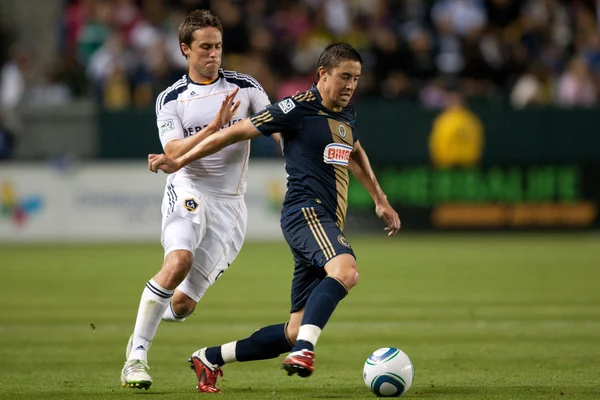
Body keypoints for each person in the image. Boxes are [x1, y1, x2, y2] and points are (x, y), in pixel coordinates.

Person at [148, 42, 401, 393]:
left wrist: (380, 199)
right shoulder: (296, 108)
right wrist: (180, 160)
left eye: (356, 79)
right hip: (305, 212)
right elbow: (236, 132)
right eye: (344, 77)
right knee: (346, 271)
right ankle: (305, 351)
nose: (350, 85)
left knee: (296, 327)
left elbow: (354, 150)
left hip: (325, 221)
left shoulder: (347, 114)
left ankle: (210, 357)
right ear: (322, 74)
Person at [120, 10, 277, 390]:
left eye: (218, 46)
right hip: (188, 186)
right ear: (184, 49)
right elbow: (173, 151)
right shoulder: (171, 98)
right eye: (205, 47)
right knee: (178, 261)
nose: (213, 54)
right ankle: (136, 357)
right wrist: (213, 126)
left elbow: (277, 128)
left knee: (183, 304)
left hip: (230, 205)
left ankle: (153, 315)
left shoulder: (247, 89)